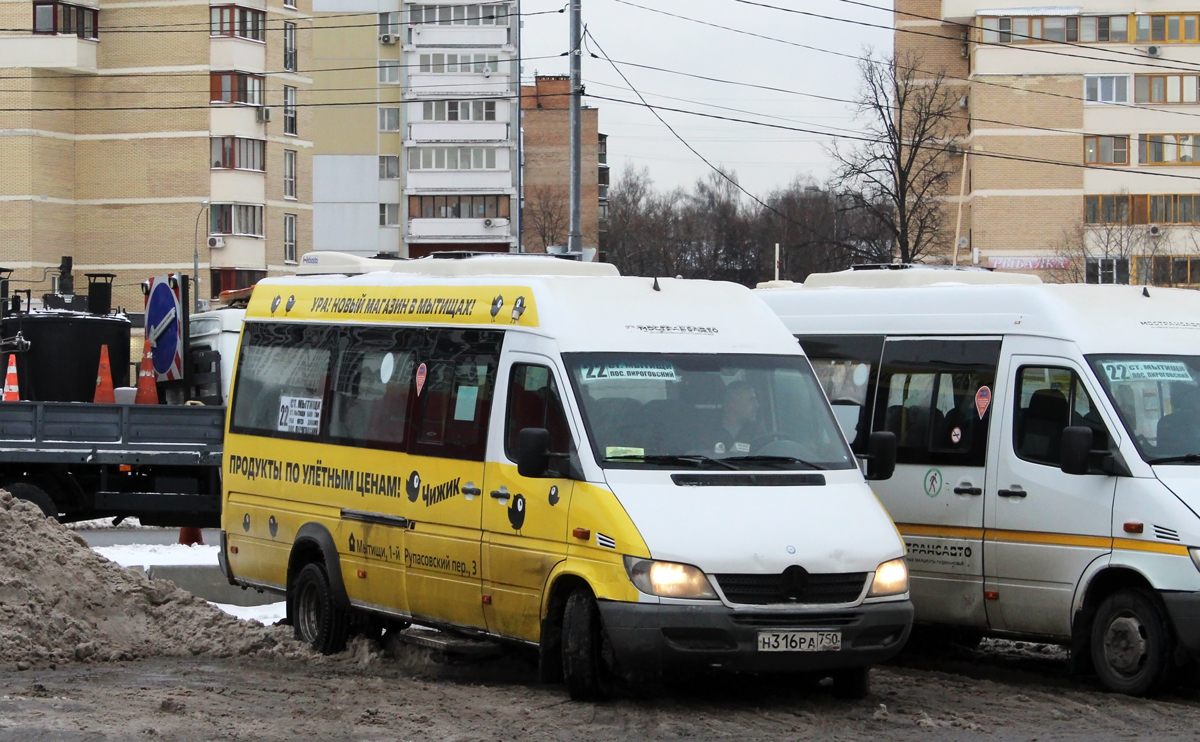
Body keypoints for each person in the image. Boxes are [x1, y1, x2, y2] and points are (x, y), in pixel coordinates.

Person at [708, 381, 761, 455]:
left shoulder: (759, 433)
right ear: (733, 404)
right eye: (751, 400)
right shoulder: (707, 434)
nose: (757, 405)